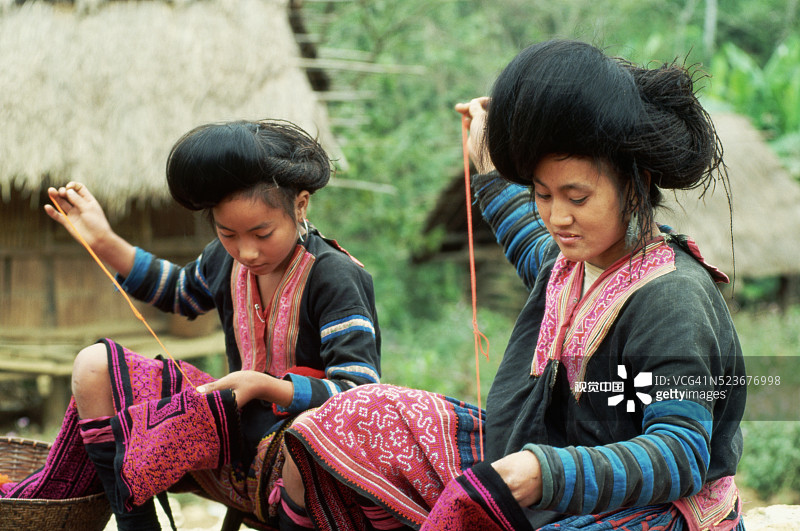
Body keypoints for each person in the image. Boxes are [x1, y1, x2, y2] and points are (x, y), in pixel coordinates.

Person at [281, 39, 746, 530]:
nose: (557, 217)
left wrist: (544, 472)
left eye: (577, 197)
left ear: (637, 181)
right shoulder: (568, 266)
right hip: (543, 467)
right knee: (343, 421)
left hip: (651, 508)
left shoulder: (674, 299)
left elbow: (679, 454)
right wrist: (486, 156)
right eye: (543, 195)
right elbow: (525, 235)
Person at [2, 119, 381, 530]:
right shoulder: (222, 259)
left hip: (301, 455)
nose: (247, 252)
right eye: (228, 233)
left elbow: (359, 391)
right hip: (229, 433)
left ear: (301, 205)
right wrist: (104, 240)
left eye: (262, 233)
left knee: (303, 438)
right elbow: (177, 291)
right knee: (94, 366)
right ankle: (136, 523)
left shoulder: (335, 276)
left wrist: (263, 386)